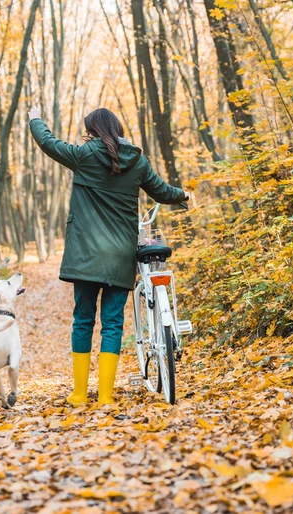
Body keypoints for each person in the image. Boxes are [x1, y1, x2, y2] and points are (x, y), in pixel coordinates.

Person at [28, 107, 188, 405]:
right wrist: (183, 195)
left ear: (93, 131)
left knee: (83, 320)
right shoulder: (137, 161)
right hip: (119, 255)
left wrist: (35, 118)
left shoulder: (84, 155)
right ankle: (105, 396)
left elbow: (48, 143)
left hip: (86, 255)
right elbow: (162, 192)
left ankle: (79, 394)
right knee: (112, 324)